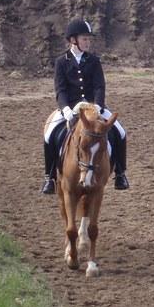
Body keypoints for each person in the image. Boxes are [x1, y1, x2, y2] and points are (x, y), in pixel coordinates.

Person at [40, 19, 129, 194]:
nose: (88, 42)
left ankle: (120, 173)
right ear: (73, 40)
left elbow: (99, 86)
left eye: (89, 39)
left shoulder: (94, 61)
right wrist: (65, 109)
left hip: (94, 108)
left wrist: (98, 106)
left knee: (120, 131)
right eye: (84, 39)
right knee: (49, 135)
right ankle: (49, 177)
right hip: (70, 109)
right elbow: (60, 89)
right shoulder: (61, 62)